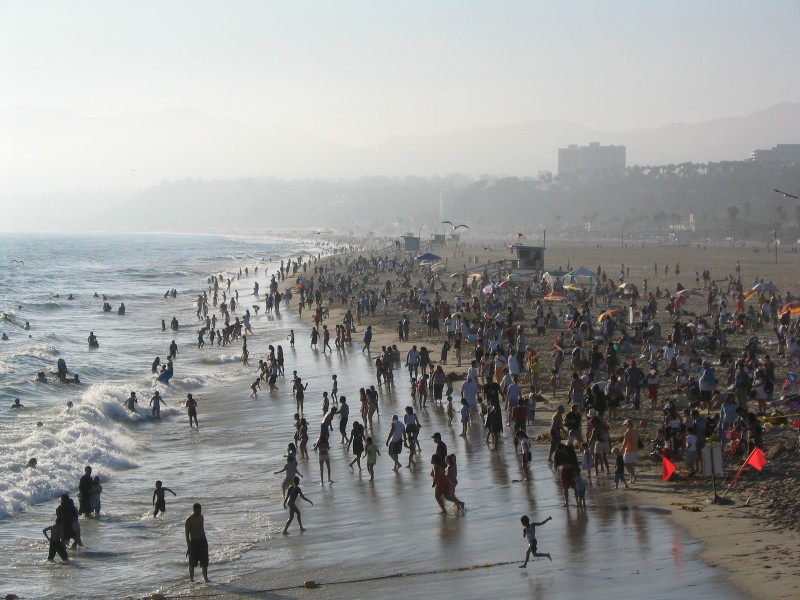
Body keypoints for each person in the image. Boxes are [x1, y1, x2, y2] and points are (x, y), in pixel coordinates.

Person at [185, 503, 209, 582]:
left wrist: (205, 541)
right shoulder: (189, 520)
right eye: (198, 511)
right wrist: (189, 546)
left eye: (200, 510)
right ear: (194, 510)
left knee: (204, 561)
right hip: (194, 542)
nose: (199, 512)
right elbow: (187, 535)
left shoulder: (201, 517)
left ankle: (205, 578)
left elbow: (202, 529)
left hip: (202, 540)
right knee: (192, 562)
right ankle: (191, 579)